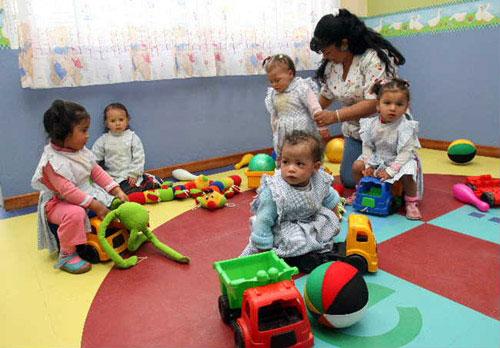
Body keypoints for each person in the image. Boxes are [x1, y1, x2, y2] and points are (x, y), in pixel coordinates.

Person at [310, 9, 406, 188]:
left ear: (344, 44)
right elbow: (325, 95)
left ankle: (405, 165)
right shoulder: (333, 65)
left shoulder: (372, 59)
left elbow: (374, 103)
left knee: (386, 181)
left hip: (384, 131)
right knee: (349, 180)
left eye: (328, 51)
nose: (325, 56)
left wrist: (334, 116)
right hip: (357, 132)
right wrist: (309, 112)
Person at [32, 100, 129, 274]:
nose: (88, 135)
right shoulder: (52, 162)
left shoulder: (80, 150)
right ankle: (67, 254)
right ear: (64, 135)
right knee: (75, 213)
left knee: (110, 201)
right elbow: (67, 191)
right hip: (57, 203)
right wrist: (94, 205)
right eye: (83, 130)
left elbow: (96, 171)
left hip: (82, 193)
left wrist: (116, 189)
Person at [241, 130, 342, 273]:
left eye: (299, 164)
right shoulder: (276, 191)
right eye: (285, 162)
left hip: (310, 219)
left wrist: (335, 214)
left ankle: (313, 248)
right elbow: (264, 220)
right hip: (284, 225)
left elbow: (330, 197)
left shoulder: (319, 179)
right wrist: (264, 249)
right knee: (296, 240)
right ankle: (291, 256)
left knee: (328, 221)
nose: (290, 169)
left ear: (315, 167)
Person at [350, 78, 423, 220]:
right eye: (387, 103)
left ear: (406, 106)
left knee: (409, 172)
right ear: (378, 105)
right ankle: (360, 191)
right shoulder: (370, 124)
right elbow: (367, 146)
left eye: (399, 104)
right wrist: (368, 165)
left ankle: (411, 203)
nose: (393, 108)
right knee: (356, 166)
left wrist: (390, 171)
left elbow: (405, 153)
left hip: (399, 160)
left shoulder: (406, 127)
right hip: (377, 158)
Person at [263, 54, 331, 158]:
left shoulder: (300, 87)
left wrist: (322, 127)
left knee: (305, 155)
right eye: (271, 81)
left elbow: (315, 107)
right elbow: (274, 115)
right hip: (284, 133)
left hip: (303, 131)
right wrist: (275, 131)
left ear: (290, 74)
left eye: (277, 80)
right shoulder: (273, 94)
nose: (274, 84)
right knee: (286, 155)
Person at [92, 103, 160, 194]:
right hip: (112, 177)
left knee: (130, 189)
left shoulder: (132, 137)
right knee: (109, 192)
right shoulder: (103, 140)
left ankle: (150, 182)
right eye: (113, 121)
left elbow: (139, 157)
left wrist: (134, 173)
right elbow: (93, 158)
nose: (117, 123)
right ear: (106, 123)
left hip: (129, 176)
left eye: (121, 120)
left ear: (127, 120)